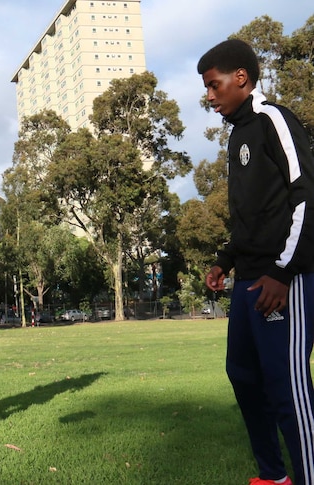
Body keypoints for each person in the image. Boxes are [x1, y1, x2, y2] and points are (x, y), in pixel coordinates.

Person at [199, 39, 314, 485]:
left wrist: (282, 271)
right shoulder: (236, 135)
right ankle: (273, 476)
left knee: (288, 391)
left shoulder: (273, 119)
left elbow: (306, 196)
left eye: (214, 85)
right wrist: (225, 261)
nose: (210, 95)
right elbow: (253, 215)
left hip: (285, 278)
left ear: (240, 78)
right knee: (244, 378)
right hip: (248, 281)